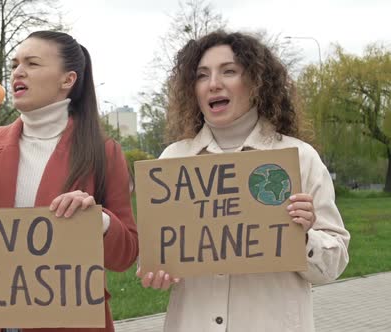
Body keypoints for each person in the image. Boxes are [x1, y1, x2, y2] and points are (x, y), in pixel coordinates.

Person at [136, 31, 350, 331]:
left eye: (229, 71)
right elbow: (156, 252)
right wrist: (156, 270)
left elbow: (333, 265)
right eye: (201, 75)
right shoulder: (173, 160)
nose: (213, 84)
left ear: (256, 82)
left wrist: (304, 237)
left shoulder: (299, 158)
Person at [0, 30, 138, 332]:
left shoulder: (102, 152)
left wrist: (98, 220)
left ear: (68, 79)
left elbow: (126, 254)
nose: (18, 72)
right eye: (15, 63)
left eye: (32, 63)